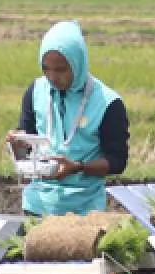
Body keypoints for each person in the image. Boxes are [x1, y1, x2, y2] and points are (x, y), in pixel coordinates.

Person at [7, 20, 129, 216]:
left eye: (61, 70)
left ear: (77, 64)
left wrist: (78, 167)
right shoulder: (36, 91)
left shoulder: (108, 103)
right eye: (46, 69)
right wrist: (18, 143)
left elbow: (117, 161)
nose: (52, 77)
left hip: (83, 210)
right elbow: (29, 145)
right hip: (37, 204)